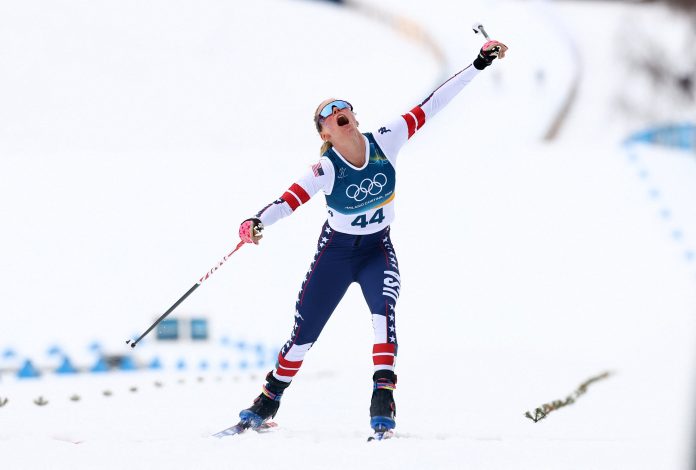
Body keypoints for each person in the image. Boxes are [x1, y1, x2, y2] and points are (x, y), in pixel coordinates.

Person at [236, 39, 508, 435]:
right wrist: (256, 222)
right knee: (303, 336)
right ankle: (268, 399)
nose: (337, 111)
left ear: (353, 116)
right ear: (325, 132)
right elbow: (287, 201)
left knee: (384, 315)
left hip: (376, 249)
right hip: (336, 255)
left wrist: (478, 64)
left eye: (342, 106)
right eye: (328, 113)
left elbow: (433, 104)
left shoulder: (386, 138)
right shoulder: (325, 169)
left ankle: (383, 399)